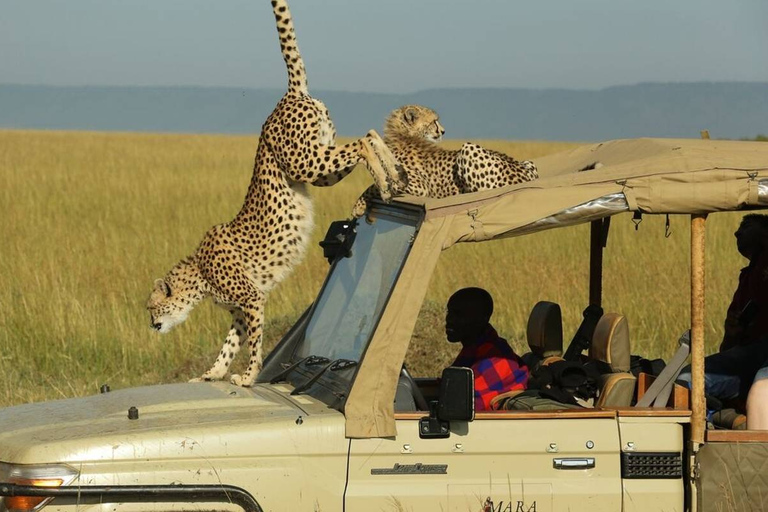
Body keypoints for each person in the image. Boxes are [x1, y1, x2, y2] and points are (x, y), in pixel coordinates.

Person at [678, 214, 768, 428]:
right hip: (751, 355)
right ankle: (728, 419)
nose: (737, 233)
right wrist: (733, 330)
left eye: (745, 226)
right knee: (686, 381)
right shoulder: (746, 277)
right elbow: (728, 347)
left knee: (761, 391)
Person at [445, 287, 529, 411]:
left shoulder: (496, 357)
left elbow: (465, 407)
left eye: (459, 314)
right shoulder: (474, 349)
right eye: (449, 312)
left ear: (482, 319)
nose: (449, 319)